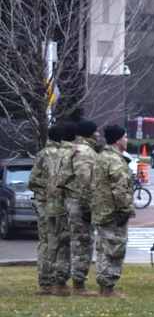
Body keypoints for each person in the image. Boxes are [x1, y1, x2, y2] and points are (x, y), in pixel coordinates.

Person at [57, 119, 102, 296]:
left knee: (74, 242)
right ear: (90, 133)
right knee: (82, 243)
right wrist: (87, 208)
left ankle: (69, 282)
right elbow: (85, 183)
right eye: (96, 131)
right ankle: (79, 286)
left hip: (71, 201)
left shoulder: (74, 149)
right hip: (79, 204)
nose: (98, 134)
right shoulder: (85, 152)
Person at [90, 125, 135, 297]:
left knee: (103, 249)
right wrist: (125, 210)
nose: (127, 140)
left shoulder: (102, 156)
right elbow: (120, 190)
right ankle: (108, 287)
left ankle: (103, 286)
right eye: (125, 136)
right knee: (115, 250)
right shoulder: (115, 160)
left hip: (102, 211)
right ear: (117, 140)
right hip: (113, 212)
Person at [28, 125, 63, 295]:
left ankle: (47, 280)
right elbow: (34, 180)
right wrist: (50, 192)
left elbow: (33, 180)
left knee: (48, 242)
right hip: (48, 205)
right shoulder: (52, 154)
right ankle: (47, 281)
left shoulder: (44, 153)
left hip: (46, 204)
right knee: (49, 243)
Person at [43, 122, 76, 295]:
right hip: (63, 207)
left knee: (53, 245)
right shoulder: (69, 155)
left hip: (51, 205)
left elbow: (40, 179)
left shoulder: (52, 155)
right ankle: (59, 282)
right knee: (64, 245)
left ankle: (48, 280)